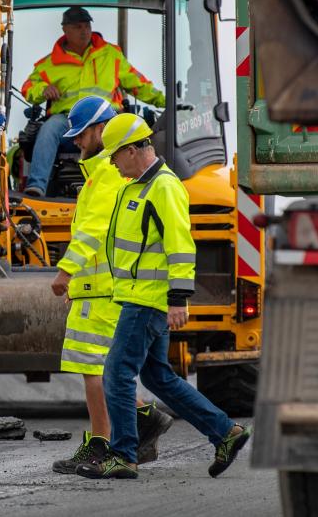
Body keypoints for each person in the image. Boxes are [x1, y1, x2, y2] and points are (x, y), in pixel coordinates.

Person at [76, 114, 250, 480]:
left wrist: (177, 298)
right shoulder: (134, 186)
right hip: (137, 297)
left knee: (116, 374)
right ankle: (226, 432)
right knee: (158, 377)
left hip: (149, 300)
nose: (110, 162)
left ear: (133, 150)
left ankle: (123, 454)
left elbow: (180, 246)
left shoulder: (165, 187)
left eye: (114, 155)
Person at [48, 98, 174, 474]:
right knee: (99, 369)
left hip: (100, 288)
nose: (76, 143)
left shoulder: (104, 175)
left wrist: (66, 270)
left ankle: (107, 442)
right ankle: (133, 424)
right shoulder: (100, 174)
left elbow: (93, 229)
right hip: (96, 288)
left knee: (95, 369)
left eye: (82, 134)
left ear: (101, 130)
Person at [20, 6, 164, 197]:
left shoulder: (110, 55)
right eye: (78, 27)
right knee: (49, 129)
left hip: (106, 120)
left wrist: (166, 102)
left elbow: (139, 84)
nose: (84, 31)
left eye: (87, 26)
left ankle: (134, 186)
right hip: (69, 123)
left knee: (128, 134)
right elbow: (28, 87)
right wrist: (42, 90)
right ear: (65, 30)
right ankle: (36, 188)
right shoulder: (50, 63)